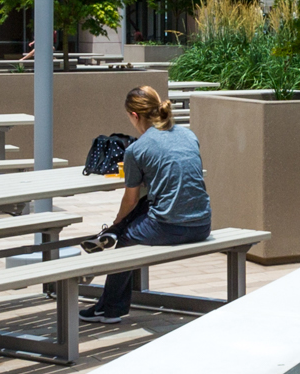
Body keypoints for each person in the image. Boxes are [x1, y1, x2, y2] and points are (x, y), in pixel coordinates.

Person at [82, 84, 208, 326]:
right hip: (202, 222)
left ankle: (110, 309)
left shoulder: (137, 149)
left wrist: (118, 223)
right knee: (146, 207)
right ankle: (111, 237)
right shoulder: (189, 135)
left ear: (134, 115)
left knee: (126, 240)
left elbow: (129, 198)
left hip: (171, 227)